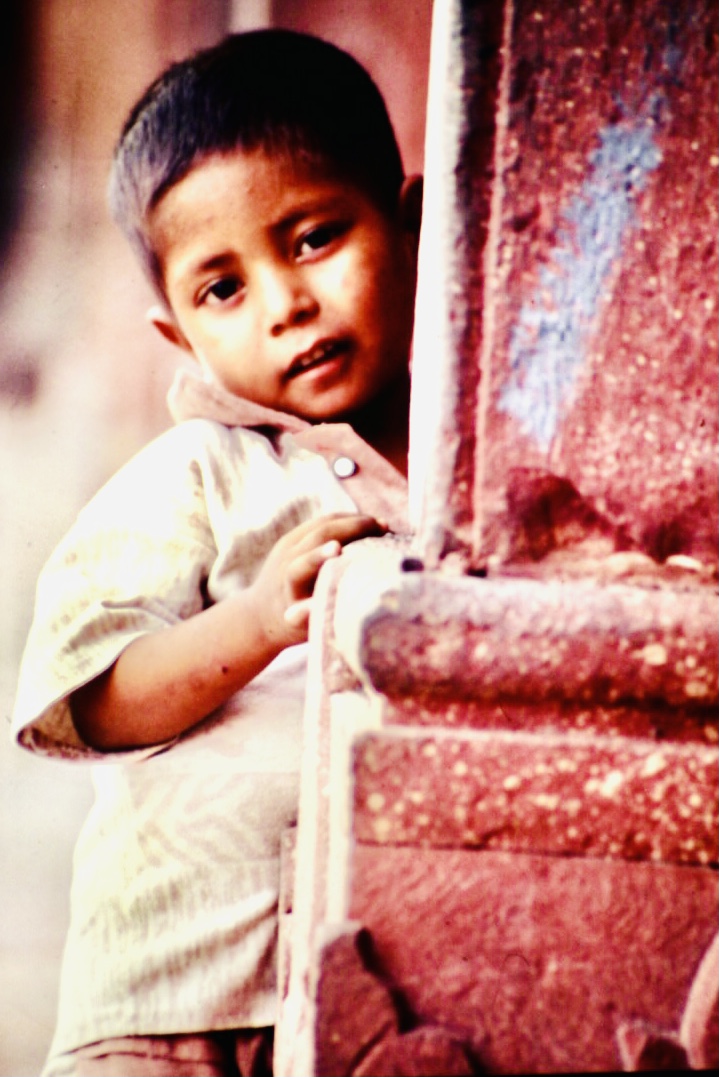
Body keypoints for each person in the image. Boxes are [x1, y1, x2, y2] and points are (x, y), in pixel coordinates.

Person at [12, 29, 422, 1077]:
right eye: (221, 289)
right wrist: (247, 627)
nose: (285, 304)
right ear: (178, 336)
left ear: (417, 226)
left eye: (314, 237)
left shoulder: (469, 465)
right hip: (171, 980)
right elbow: (88, 697)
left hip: (371, 984)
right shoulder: (195, 474)